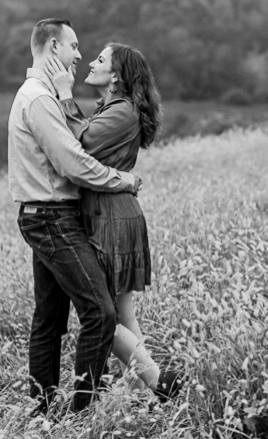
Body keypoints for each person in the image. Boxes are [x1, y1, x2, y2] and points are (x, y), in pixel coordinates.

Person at [7, 19, 142, 415]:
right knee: (100, 312)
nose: (80, 55)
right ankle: (83, 413)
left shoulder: (42, 95)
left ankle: (41, 410)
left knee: (49, 319)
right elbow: (74, 164)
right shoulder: (40, 99)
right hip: (51, 216)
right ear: (53, 47)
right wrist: (123, 180)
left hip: (46, 214)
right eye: (74, 46)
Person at [44, 42, 183, 402]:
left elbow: (80, 143)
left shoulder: (122, 111)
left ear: (117, 74)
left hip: (109, 217)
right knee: (121, 312)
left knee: (101, 314)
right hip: (113, 211)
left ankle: (156, 381)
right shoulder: (116, 108)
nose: (91, 62)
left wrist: (63, 94)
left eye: (101, 59)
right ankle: (144, 395)